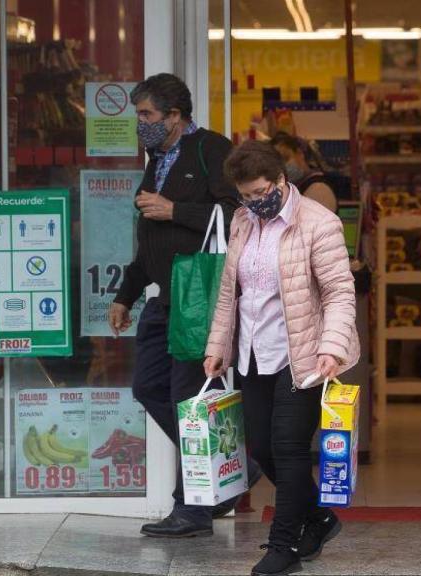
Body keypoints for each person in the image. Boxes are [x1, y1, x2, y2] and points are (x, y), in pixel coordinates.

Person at [108, 73, 258, 538]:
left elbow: (239, 214)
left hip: (198, 296)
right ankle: (235, 467)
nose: (141, 124)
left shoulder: (210, 149)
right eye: (138, 116)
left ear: (175, 116)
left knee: (189, 400)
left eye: (147, 115)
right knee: (148, 387)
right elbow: (149, 234)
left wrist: (176, 210)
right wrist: (126, 293)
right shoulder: (157, 157)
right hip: (162, 298)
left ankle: (192, 508)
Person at [204, 141, 359, 576]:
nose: (254, 202)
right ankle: (321, 519)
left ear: (280, 180)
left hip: (304, 353)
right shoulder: (242, 221)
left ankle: (284, 545)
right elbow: (229, 294)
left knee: (289, 448)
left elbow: (339, 293)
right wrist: (218, 346)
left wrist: (332, 347)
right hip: (254, 353)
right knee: (261, 447)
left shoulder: (318, 223)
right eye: (245, 196)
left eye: (259, 192)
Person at [269, 132, 338, 213]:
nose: (283, 166)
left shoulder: (318, 189)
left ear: (299, 154)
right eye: (277, 163)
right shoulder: (294, 187)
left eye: (286, 158)